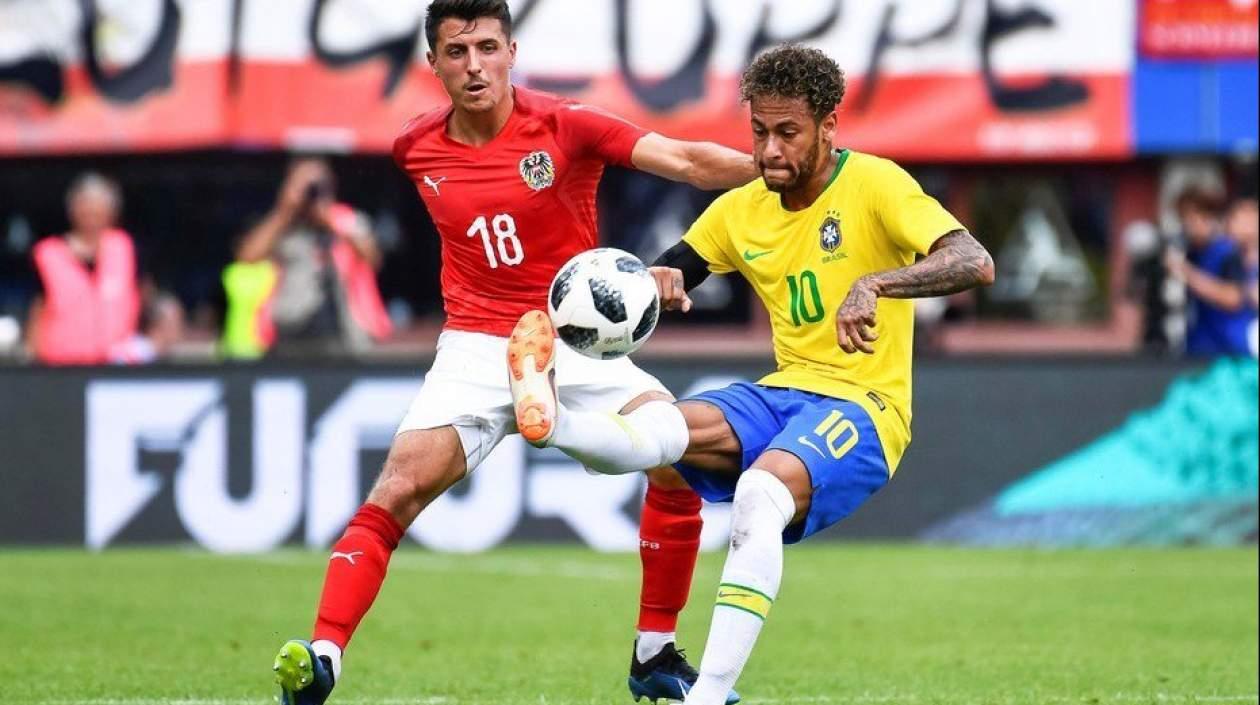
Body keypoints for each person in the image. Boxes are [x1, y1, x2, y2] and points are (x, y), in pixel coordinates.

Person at [270, 2, 756, 704]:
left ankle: (654, 653)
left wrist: (772, 168)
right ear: (432, 62)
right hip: (476, 344)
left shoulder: (567, 124)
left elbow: (681, 158)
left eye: (488, 48)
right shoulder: (415, 148)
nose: (475, 66)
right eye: (458, 51)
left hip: (575, 338)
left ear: (512, 51)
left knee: (675, 456)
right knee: (396, 491)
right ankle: (321, 657)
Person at [506, 44, 995, 704]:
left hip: (867, 406)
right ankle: (551, 419)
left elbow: (973, 260)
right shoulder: (744, 208)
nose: (769, 151)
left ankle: (707, 694)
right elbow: (678, 264)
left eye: (787, 132)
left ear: (828, 127)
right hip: (785, 393)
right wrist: (662, 279)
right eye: (759, 131)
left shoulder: (878, 184)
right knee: (662, 438)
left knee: (759, 495)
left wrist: (876, 284)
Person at [233, 157, 391, 358]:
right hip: (288, 326)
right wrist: (285, 211)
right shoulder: (283, 225)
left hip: (344, 330)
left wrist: (329, 219)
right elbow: (248, 257)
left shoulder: (346, 219)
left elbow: (372, 258)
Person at [26, 172, 142, 365]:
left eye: (98, 206)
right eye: (85, 204)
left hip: (117, 365)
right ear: (72, 209)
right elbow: (37, 309)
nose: (91, 213)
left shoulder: (125, 248)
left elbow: (144, 296)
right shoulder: (47, 254)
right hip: (61, 365)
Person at [1163, 187, 1252, 356]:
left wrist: (1186, 272)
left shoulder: (1227, 252)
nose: (1187, 225)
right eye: (1183, 219)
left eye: (1192, 218)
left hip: (1227, 351)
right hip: (1196, 347)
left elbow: (1234, 298)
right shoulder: (1191, 253)